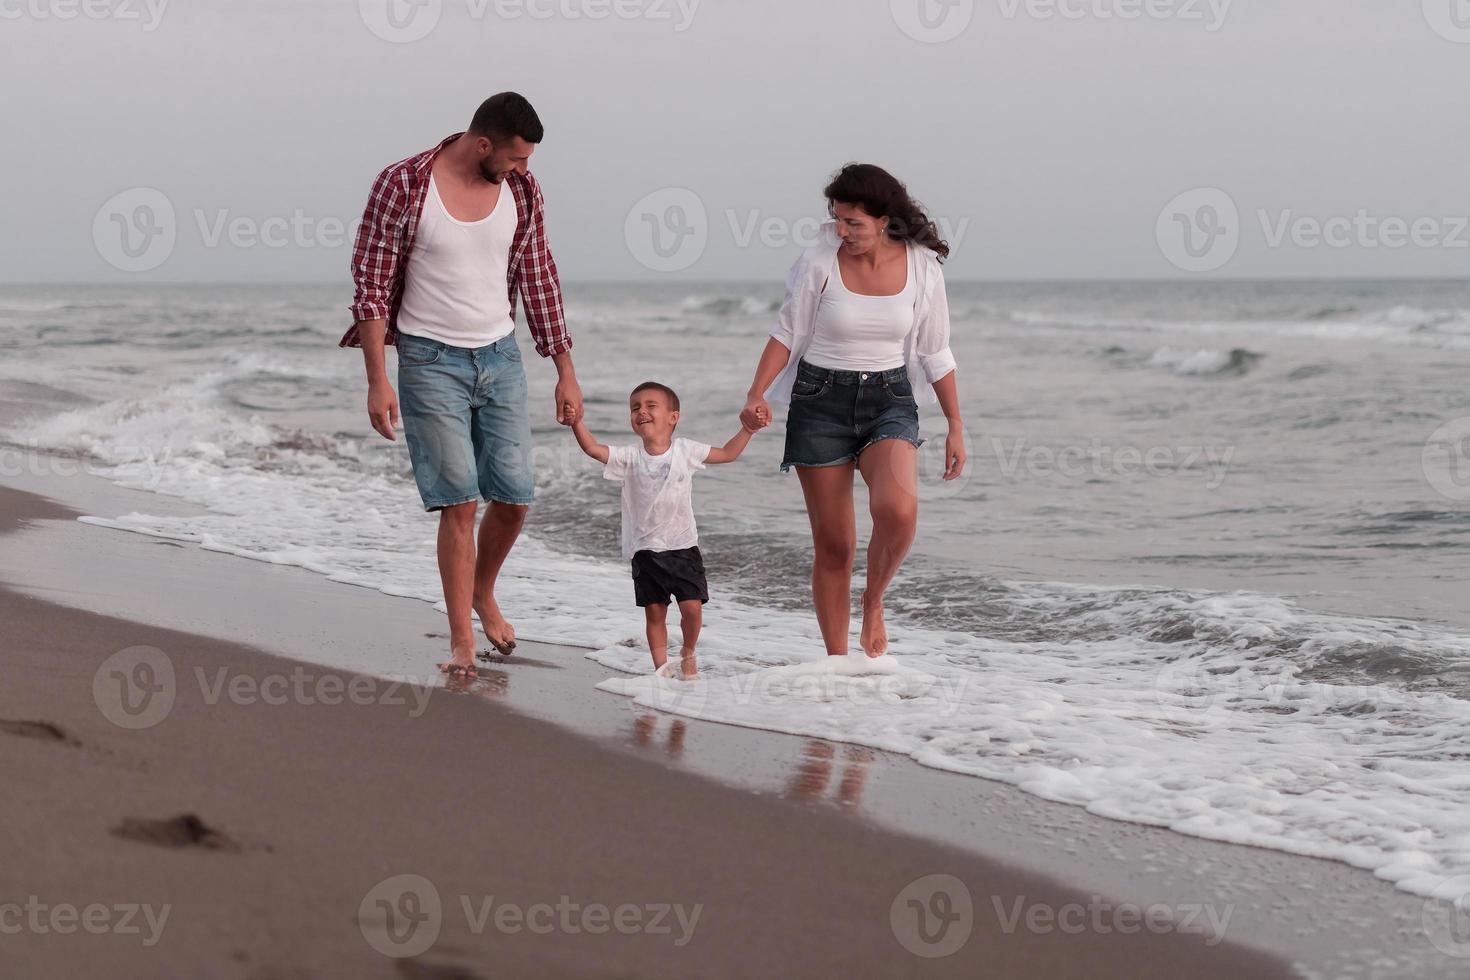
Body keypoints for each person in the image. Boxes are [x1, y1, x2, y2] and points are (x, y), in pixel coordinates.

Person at [340, 92, 584, 678]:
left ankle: (482, 591)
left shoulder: (522, 191)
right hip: (429, 362)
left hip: (501, 358)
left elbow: (538, 274)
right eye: (516, 158)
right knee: (460, 501)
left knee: (516, 495)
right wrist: (377, 379)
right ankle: (461, 644)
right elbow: (371, 285)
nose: (524, 170)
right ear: (483, 145)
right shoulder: (404, 184)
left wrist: (565, 369)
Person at [739, 164, 967, 659]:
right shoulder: (819, 258)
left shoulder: (923, 266)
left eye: (854, 223)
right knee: (836, 546)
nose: (842, 232)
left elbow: (935, 351)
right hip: (820, 402)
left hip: (890, 399)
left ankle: (875, 598)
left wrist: (955, 425)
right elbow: (786, 331)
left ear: (884, 219)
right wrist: (756, 393)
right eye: (837, 220)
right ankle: (838, 664)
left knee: (900, 513)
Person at [571, 381, 760, 679]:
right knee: (655, 613)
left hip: (683, 546)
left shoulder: (685, 450)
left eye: (650, 406)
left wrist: (748, 430)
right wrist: (576, 422)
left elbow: (726, 454)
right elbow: (593, 449)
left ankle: (688, 652)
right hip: (646, 551)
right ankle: (661, 668)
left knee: (692, 609)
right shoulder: (630, 457)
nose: (641, 411)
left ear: (673, 417)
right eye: (635, 408)